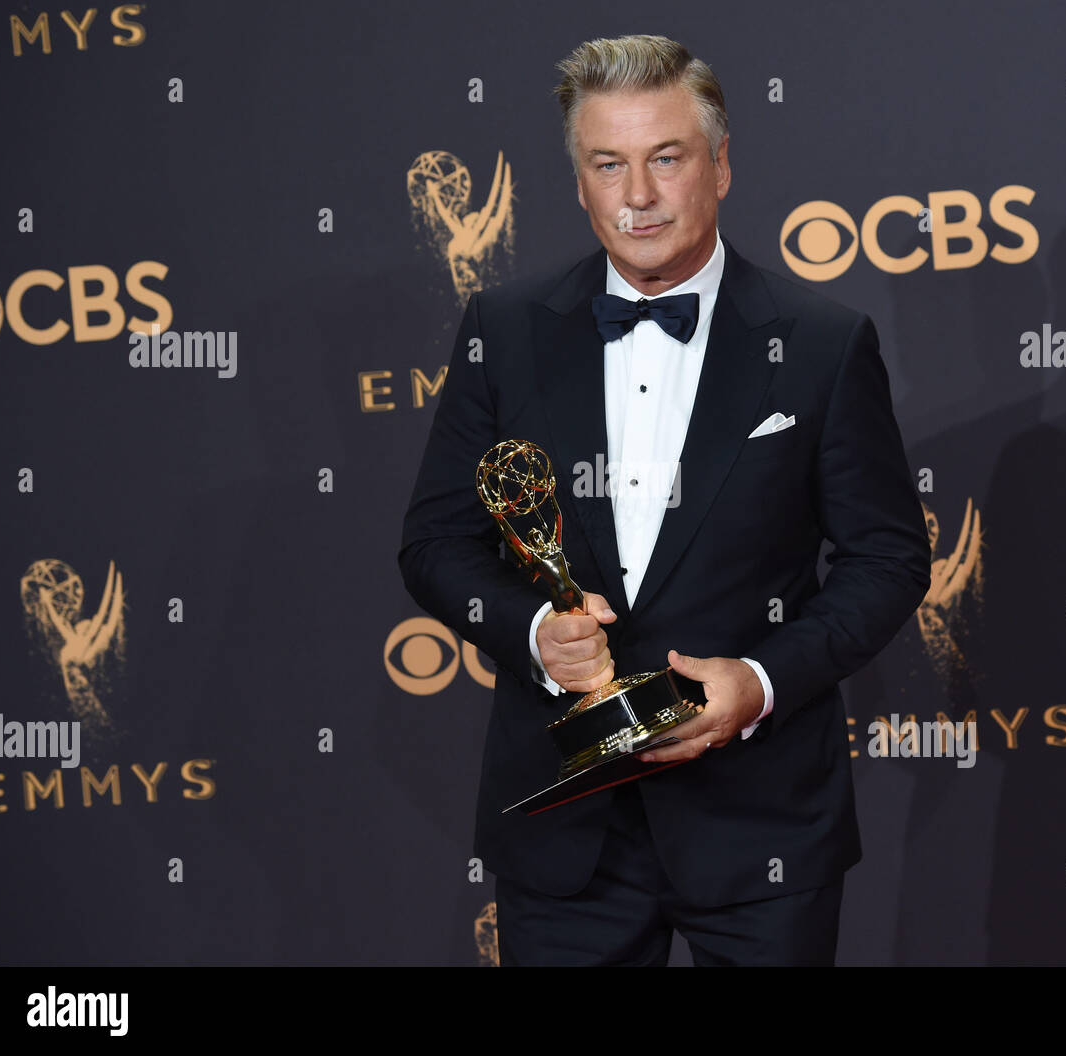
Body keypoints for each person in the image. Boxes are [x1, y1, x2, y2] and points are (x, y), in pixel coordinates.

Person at [398, 33, 931, 965]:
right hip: (567, 832)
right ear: (578, 181)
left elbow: (886, 560)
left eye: (666, 160)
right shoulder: (504, 330)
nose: (637, 197)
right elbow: (437, 541)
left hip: (762, 826)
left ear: (720, 167)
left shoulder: (821, 343)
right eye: (609, 165)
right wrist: (532, 633)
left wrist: (758, 684)